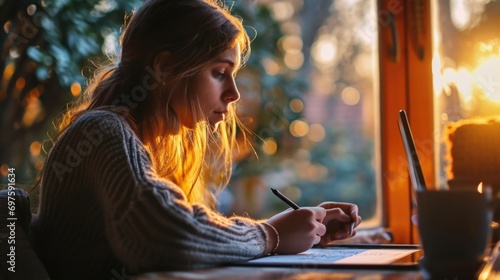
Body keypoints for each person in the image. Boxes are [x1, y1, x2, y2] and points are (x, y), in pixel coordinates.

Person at [30, 0, 362, 279]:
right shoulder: (101, 131)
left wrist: (302, 229)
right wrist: (271, 235)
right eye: (219, 73)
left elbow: (180, 227)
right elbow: (165, 236)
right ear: (163, 69)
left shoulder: (134, 141)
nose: (233, 94)